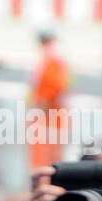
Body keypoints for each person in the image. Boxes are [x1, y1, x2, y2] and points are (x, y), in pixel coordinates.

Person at [28, 29, 69, 170]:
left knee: (47, 157)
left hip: (49, 116)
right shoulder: (50, 59)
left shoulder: (52, 60)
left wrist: (42, 106)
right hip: (47, 116)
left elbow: (53, 87)